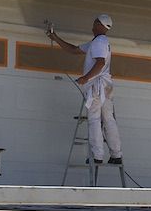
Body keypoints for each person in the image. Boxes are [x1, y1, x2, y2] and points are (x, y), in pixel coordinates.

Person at [47, 13, 123, 165]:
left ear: (101, 25)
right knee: (108, 119)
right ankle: (116, 154)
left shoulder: (99, 42)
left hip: (97, 86)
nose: (93, 25)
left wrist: (86, 78)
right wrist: (55, 38)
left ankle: (97, 156)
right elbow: (75, 50)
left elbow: (100, 63)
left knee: (94, 119)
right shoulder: (98, 42)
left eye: (96, 22)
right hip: (106, 86)